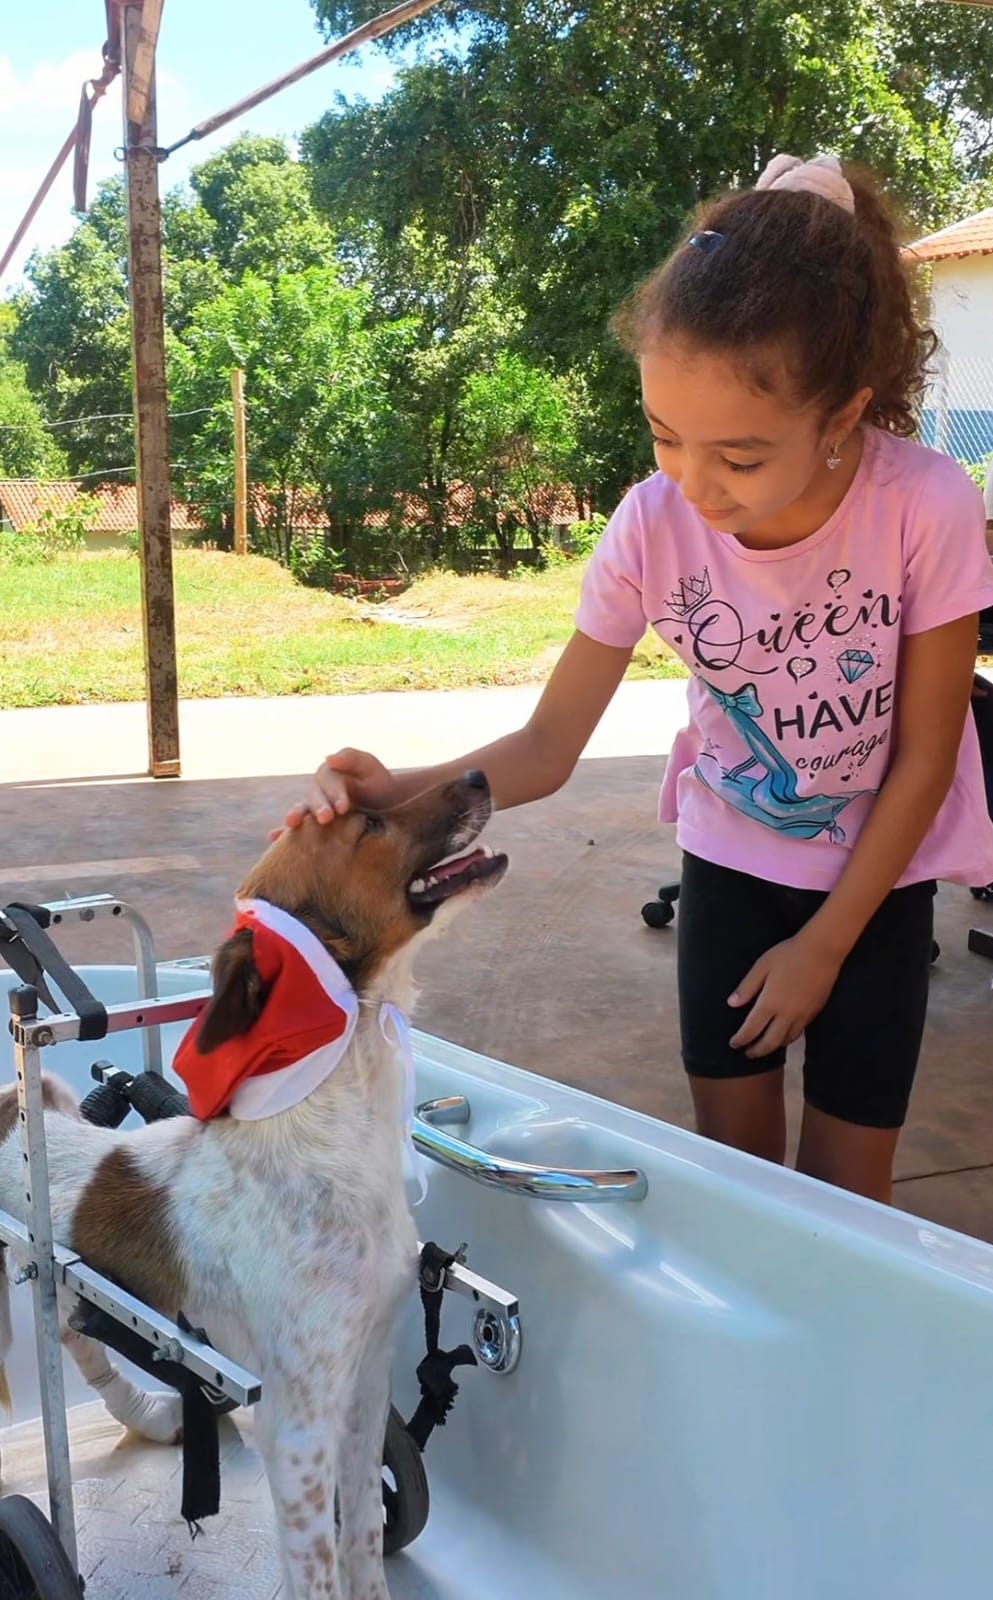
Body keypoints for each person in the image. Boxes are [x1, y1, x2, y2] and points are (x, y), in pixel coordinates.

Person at [279, 151, 993, 1206]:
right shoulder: (651, 525)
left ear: (842, 415)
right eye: (665, 436)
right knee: (738, 1182)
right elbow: (548, 744)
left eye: (741, 458)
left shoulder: (926, 504)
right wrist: (398, 791)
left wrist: (827, 944)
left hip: (877, 891)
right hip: (730, 876)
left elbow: (930, 757)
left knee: (850, 1198)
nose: (697, 486)